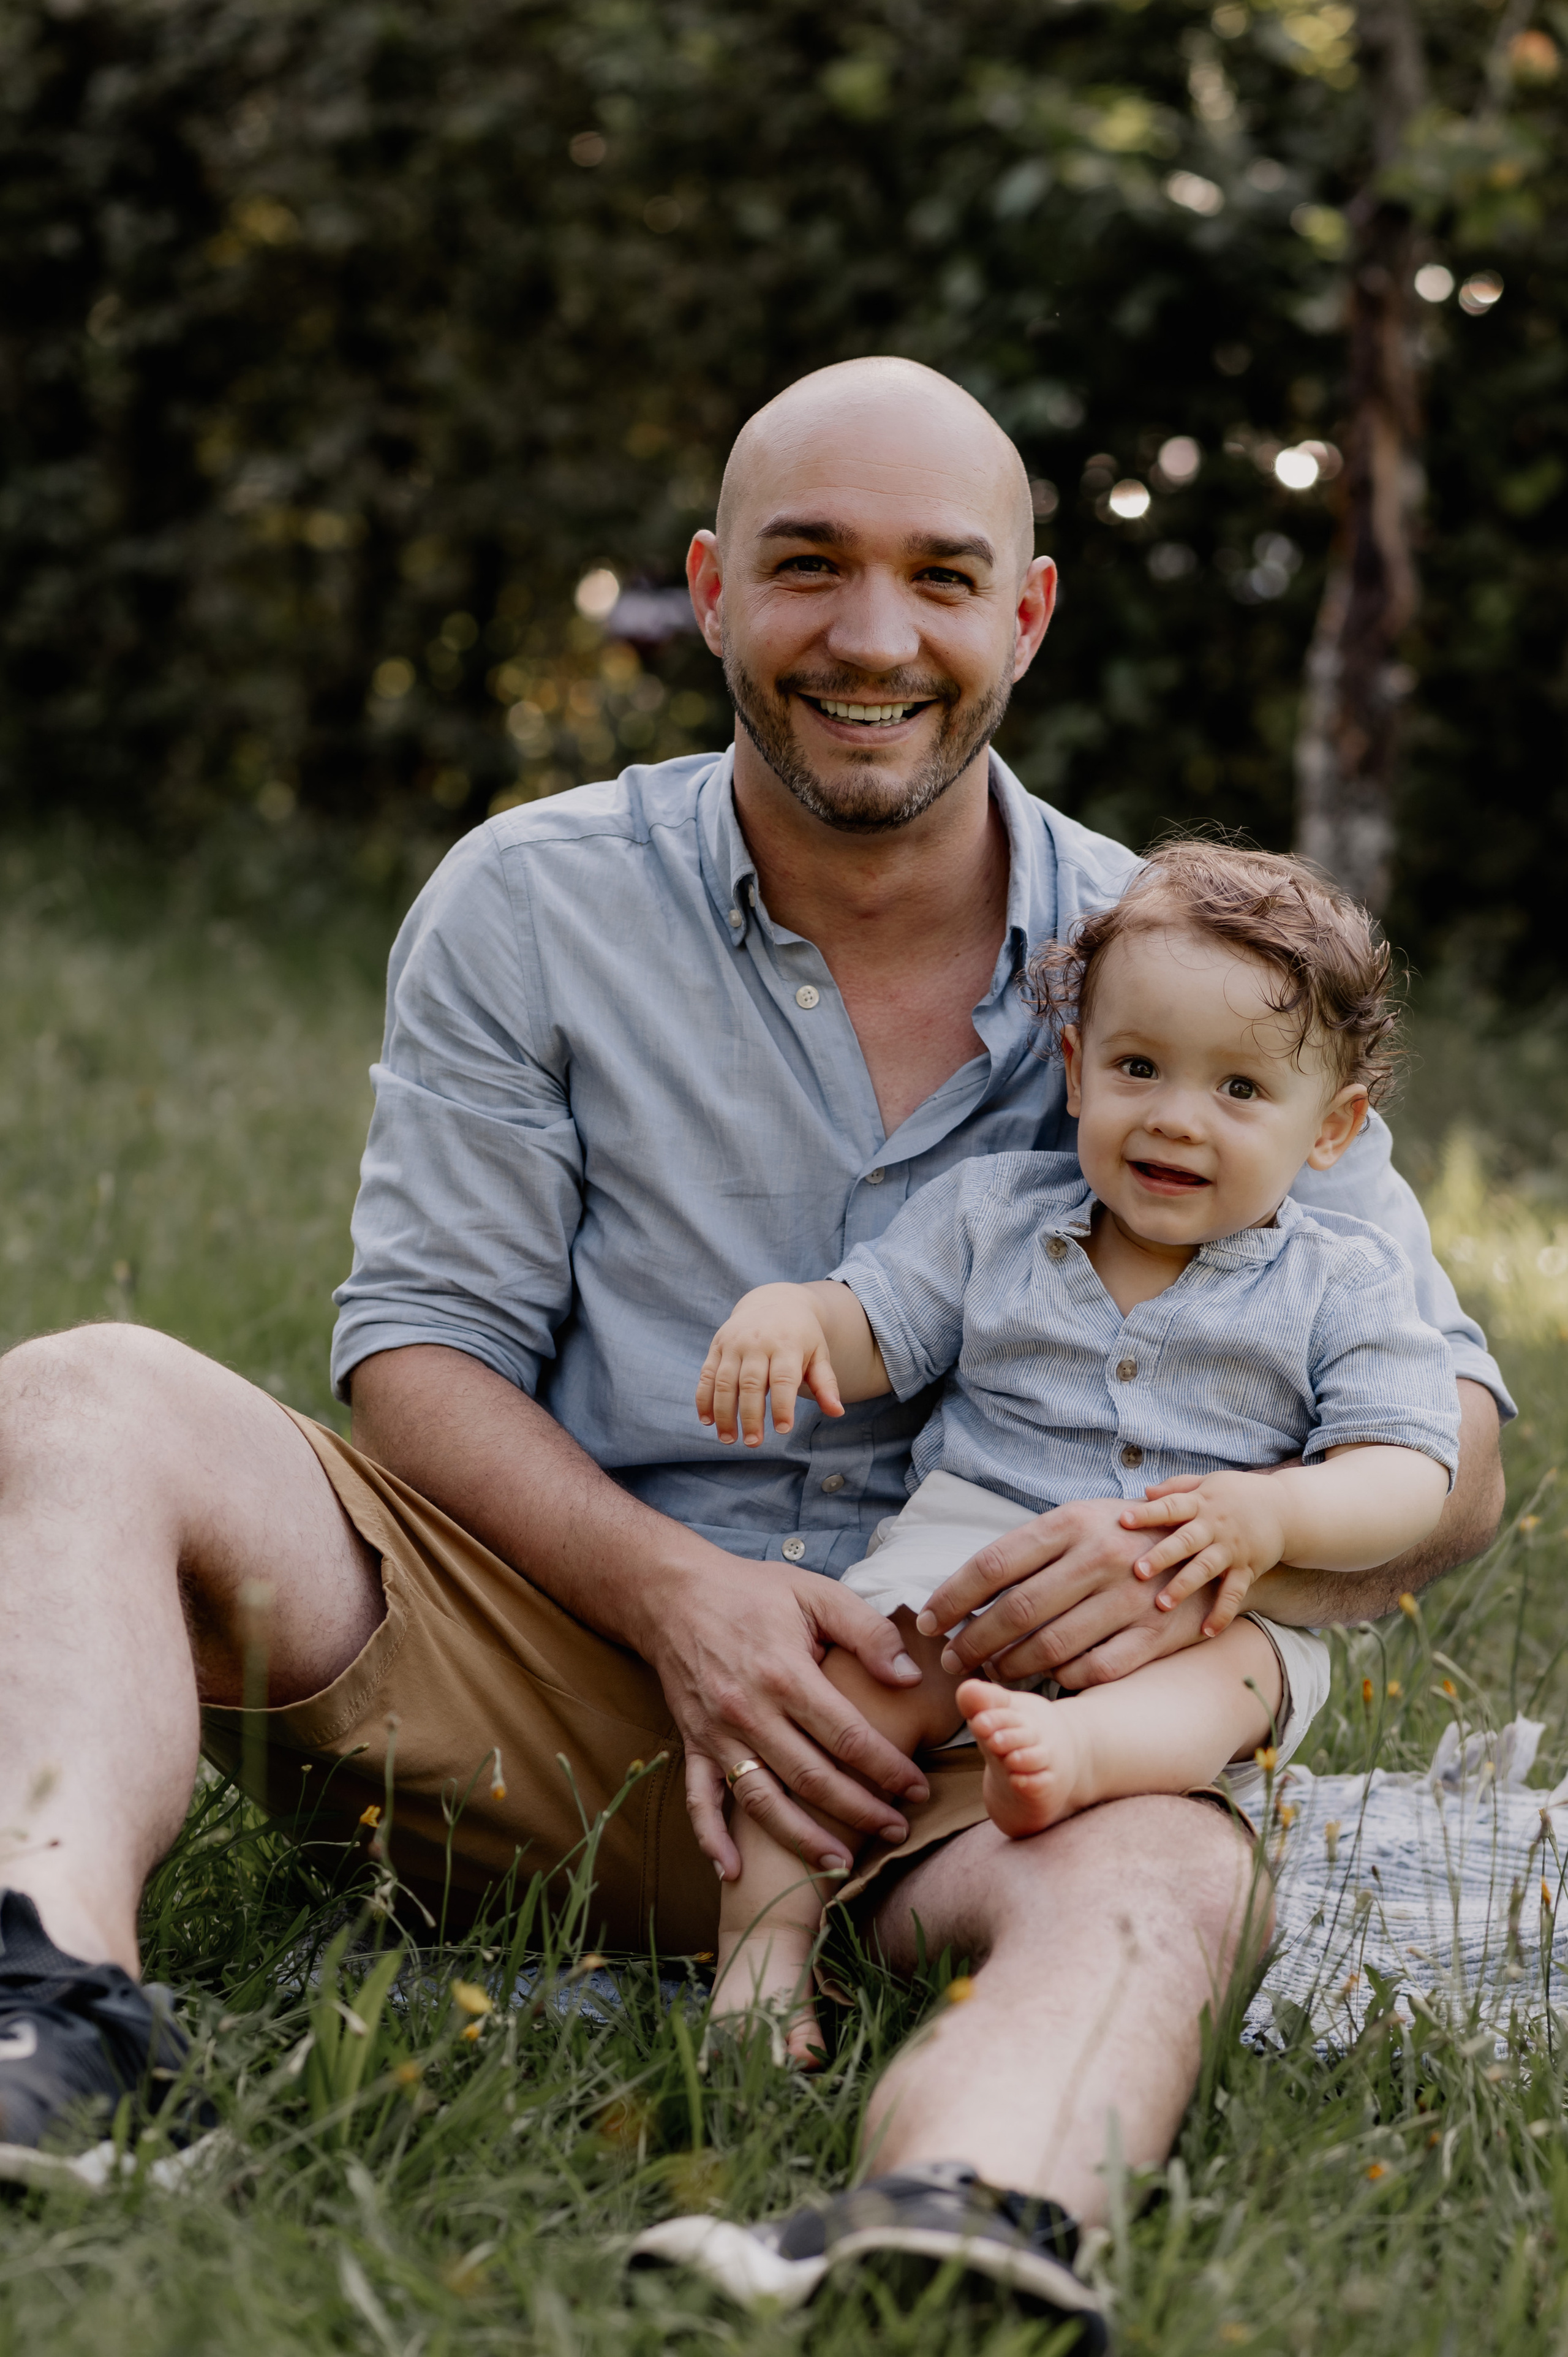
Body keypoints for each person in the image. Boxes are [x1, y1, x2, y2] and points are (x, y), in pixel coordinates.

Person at [0, 358, 1509, 2328]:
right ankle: (48, 2023)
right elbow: (416, 1353)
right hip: (562, 1685)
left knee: (1168, 1873)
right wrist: (684, 1597)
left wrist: (1207, 1548)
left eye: (941, 578)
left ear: (1025, 616)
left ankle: (967, 2209)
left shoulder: (1201, 989)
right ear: (713, 592)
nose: (872, 637)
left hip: (971, 1732)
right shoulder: (530, 904)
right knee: (86, 1392)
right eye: (810, 567)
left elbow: (1454, 1469)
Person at [698, 841, 1458, 2062]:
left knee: (1237, 1683)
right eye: (1138, 1066)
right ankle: (759, 1967)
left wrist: (1272, 1519)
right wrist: (787, 1320)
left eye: (1239, 1091)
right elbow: (868, 1333)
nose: (1173, 1115)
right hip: (971, 1556)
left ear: (1333, 1128)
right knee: (825, 1718)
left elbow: (1407, 1473)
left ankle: (1071, 1760)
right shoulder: (995, 1217)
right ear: (1072, 1066)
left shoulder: (1340, 1282)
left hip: (1206, 1593)